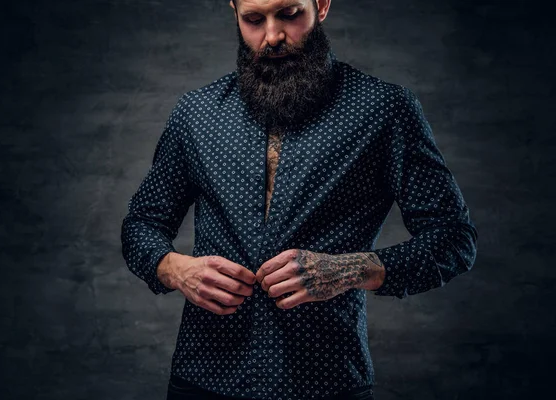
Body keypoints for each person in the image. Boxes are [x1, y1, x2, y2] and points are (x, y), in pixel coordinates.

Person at [120, 0, 478, 399]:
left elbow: (453, 239)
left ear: (321, 6)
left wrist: (353, 268)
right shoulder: (195, 113)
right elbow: (142, 224)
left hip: (326, 382)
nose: (272, 36)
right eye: (253, 20)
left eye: (289, 14)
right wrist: (173, 268)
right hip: (202, 379)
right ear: (234, 13)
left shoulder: (386, 109)